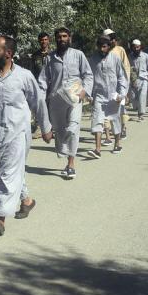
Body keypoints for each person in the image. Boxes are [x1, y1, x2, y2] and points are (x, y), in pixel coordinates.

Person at [0, 35, 52, 236]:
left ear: (9, 54)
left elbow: (38, 102)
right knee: (10, 169)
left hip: (17, 134)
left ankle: (1, 218)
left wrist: (46, 128)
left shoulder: (24, 76)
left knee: (7, 172)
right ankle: (27, 201)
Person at [38, 27, 93, 180]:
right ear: (55, 39)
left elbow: (88, 75)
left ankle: (71, 164)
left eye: (64, 36)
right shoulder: (50, 58)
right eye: (59, 37)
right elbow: (43, 80)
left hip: (75, 99)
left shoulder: (78, 55)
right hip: (56, 101)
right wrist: (40, 98)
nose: (61, 39)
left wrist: (84, 91)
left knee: (73, 128)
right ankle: (65, 154)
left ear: (69, 37)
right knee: (61, 131)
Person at [89, 35, 129, 156]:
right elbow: (89, 77)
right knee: (97, 120)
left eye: (104, 47)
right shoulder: (93, 59)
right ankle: (97, 149)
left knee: (115, 120)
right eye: (100, 46)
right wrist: (89, 94)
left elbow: (122, 77)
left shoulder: (115, 58)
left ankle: (117, 144)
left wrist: (122, 94)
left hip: (113, 95)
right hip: (99, 95)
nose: (102, 49)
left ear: (109, 46)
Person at [129, 39, 148, 122]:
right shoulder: (130, 56)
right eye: (134, 47)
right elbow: (127, 68)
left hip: (144, 79)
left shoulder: (145, 56)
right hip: (134, 80)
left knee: (142, 95)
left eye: (137, 47)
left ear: (140, 47)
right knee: (133, 97)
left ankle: (141, 113)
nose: (136, 49)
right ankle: (138, 108)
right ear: (132, 47)